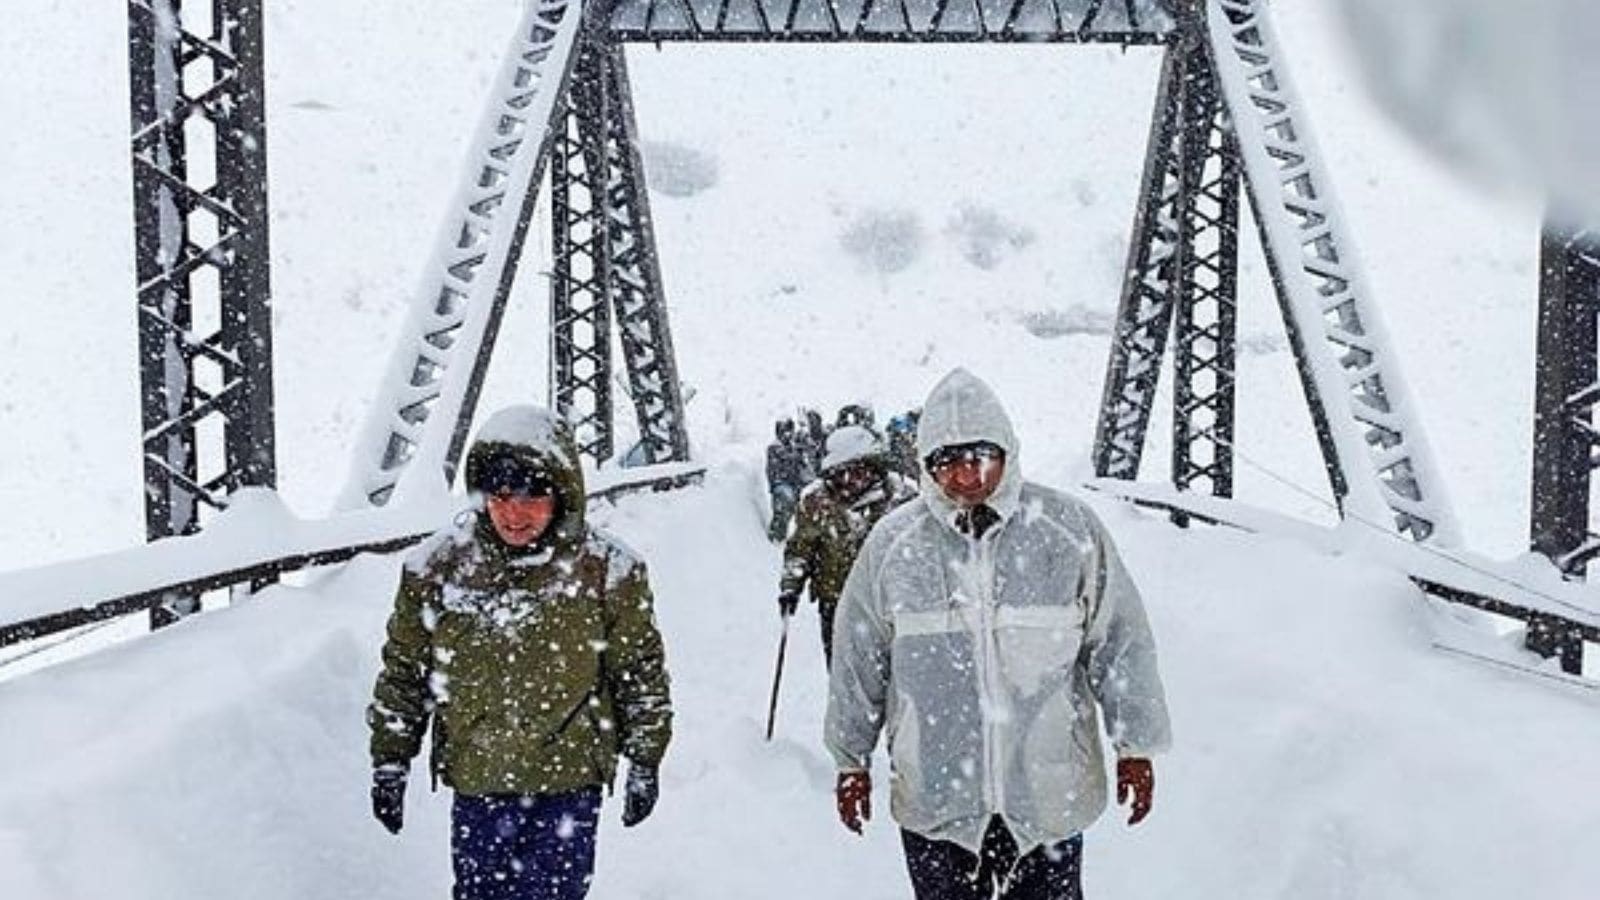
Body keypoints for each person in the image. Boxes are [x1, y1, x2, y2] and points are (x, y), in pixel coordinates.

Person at [825, 369, 1171, 900]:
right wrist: (851, 758)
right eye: (946, 462)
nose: (965, 477)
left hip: (1047, 797)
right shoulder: (894, 546)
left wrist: (1136, 746)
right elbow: (858, 656)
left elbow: (1120, 641)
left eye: (978, 457)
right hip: (935, 798)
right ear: (925, 464)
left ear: (1006, 450)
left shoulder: (1067, 529)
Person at [366, 405, 673, 900]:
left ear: (561, 495)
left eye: (532, 496)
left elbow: (638, 672)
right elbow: (406, 670)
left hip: (568, 783)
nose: (513, 512)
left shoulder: (609, 572)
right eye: (501, 495)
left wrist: (644, 757)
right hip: (478, 780)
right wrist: (391, 760)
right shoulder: (437, 568)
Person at [778, 425, 915, 669]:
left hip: (890, 602)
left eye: (857, 471)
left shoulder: (901, 496)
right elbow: (800, 549)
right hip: (836, 601)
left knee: (895, 670)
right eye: (841, 473)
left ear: (874, 466)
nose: (849, 481)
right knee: (843, 670)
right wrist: (791, 584)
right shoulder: (817, 501)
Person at [766, 417, 812, 542]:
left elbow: (803, 465)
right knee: (783, 510)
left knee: (795, 511)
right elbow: (786, 458)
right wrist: (799, 451)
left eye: (790, 431)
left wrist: (804, 448)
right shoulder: (774, 447)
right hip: (780, 484)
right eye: (785, 431)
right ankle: (773, 539)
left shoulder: (792, 446)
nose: (788, 434)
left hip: (793, 485)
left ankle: (779, 539)